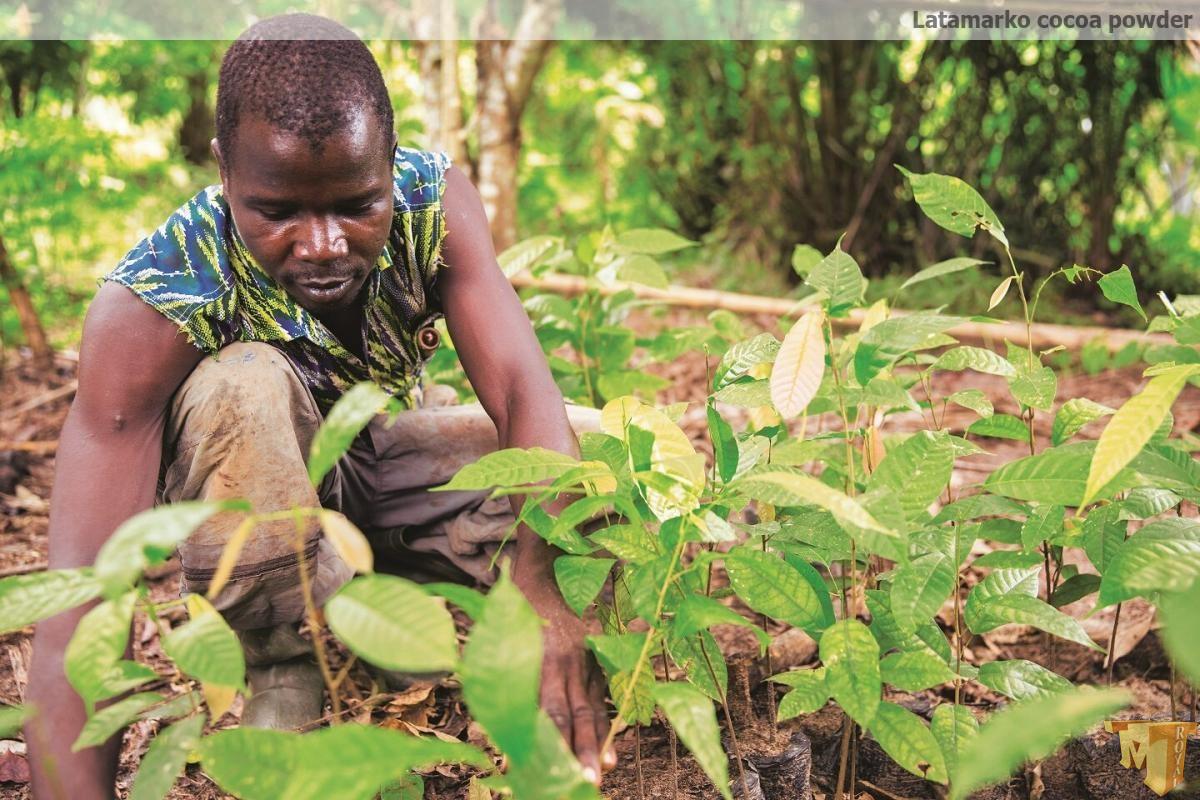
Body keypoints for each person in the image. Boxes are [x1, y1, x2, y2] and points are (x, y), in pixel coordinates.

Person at [24, 14, 612, 798]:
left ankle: (435, 643)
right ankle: (288, 668)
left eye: (355, 204)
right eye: (279, 213)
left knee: (598, 455)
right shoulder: (157, 299)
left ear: (390, 164)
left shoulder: (431, 204)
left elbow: (518, 391)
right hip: (260, 534)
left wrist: (545, 594)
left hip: (381, 476)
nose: (325, 243)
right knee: (242, 384)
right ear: (225, 172)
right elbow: (86, 598)